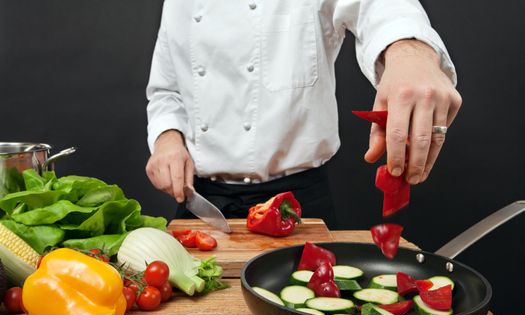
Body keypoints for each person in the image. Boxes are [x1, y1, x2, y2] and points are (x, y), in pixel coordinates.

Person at [145, 0, 462, 228]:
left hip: (298, 209)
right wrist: (167, 140)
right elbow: (166, 90)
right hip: (202, 208)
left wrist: (410, 52)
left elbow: (381, 7)